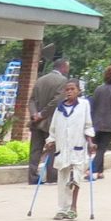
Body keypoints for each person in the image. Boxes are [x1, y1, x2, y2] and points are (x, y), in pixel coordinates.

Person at [47, 79, 96, 220]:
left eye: (72, 89)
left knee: (75, 178)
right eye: (67, 89)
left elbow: (88, 126)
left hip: (78, 148)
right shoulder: (59, 109)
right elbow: (53, 130)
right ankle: (62, 208)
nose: (69, 92)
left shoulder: (84, 105)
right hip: (62, 150)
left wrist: (91, 142)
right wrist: (50, 141)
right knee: (62, 179)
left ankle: (73, 208)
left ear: (78, 91)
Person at [28, 58, 69, 186]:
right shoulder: (63, 81)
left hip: (36, 122)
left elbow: (32, 100)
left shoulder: (40, 79)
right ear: (62, 67)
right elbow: (57, 101)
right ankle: (51, 176)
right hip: (51, 121)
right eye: (67, 67)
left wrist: (35, 114)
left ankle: (32, 177)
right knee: (53, 148)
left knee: (35, 149)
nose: (68, 70)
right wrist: (42, 114)